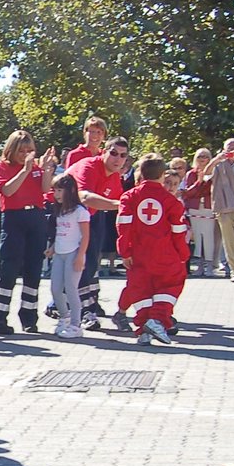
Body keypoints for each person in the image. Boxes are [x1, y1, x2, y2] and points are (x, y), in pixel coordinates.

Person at [0, 130, 58, 334]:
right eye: (21, 151)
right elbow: (7, 191)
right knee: (9, 270)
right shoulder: (2, 166)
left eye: (30, 150)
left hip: (35, 217)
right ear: (12, 150)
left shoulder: (35, 167)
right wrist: (25, 170)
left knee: (33, 269)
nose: (26, 154)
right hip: (13, 218)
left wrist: (46, 170)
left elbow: (45, 189)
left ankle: (29, 316)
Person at [117, 154, 188, 346]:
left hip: (138, 254)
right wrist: (183, 255)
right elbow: (178, 231)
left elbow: (123, 225)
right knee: (170, 284)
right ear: (162, 174)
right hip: (164, 254)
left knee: (142, 290)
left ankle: (143, 331)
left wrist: (125, 252)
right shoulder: (171, 201)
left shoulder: (129, 196)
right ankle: (156, 321)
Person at [60, 137, 129, 327]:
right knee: (81, 262)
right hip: (64, 214)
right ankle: (86, 311)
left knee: (90, 261)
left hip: (88, 215)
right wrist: (120, 204)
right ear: (104, 151)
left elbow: (120, 201)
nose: (117, 158)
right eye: (113, 153)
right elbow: (86, 197)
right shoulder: (88, 166)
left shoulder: (114, 176)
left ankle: (62, 304)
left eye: (123, 155)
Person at [202, 139, 234, 281]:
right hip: (223, 205)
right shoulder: (218, 163)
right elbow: (206, 175)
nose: (232, 150)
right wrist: (216, 160)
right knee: (228, 239)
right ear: (224, 149)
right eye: (229, 148)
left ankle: (232, 258)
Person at [47, 174, 91, 338]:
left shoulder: (80, 211)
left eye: (60, 190)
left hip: (74, 253)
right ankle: (64, 318)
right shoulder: (60, 211)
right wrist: (52, 248)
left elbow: (85, 236)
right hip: (59, 253)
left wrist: (80, 256)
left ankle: (75, 324)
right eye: (54, 190)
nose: (56, 194)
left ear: (70, 190)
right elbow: (60, 232)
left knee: (71, 289)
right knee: (55, 289)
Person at [180, 149, 220, 276]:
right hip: (194, 209)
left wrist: (201, 185)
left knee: (208, 238)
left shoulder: (215, 173)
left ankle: (209, 266)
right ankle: (199, 266)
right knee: (197, 238)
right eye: (200, 156)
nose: (202, 159)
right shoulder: (190, 174)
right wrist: (199, 181)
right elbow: (188, 193)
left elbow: (210, 191)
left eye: (206, 156)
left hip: (208, 208)